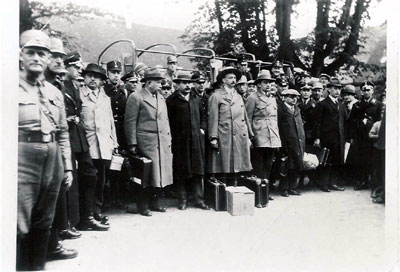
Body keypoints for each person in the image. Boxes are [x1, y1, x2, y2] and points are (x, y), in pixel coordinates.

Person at [17, 30, 73, 271]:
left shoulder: (54, 93)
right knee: (18, 222)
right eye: (31, 52)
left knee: (45, 220)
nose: (37, 58)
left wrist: (67, 166)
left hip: (52, 159)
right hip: (21, 157)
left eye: (42, 53)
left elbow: (62, 132)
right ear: (21, 56)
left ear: (48, 57)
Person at [43, 37, 79, 262]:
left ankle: (52, 243)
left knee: (54, 198)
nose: (58, 60)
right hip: (33, 149)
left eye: (61, 57)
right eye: (53, 55)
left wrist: (67, 166)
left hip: (54, 150)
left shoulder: (56, 87)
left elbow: (63, 132)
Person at [63, 53, 105, 232]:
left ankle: (86, 217)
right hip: (67, 136)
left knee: (90, 174)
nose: (80, 71)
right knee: (68, 180)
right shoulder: (60, 85)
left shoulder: (73, 86)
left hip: (79, 137)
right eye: (76, 67)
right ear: (67, 67)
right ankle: (68, 222)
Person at [124, 68, 173, 216]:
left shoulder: (160, 97)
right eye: (158, 82)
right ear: (149, 82)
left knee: (158, 174)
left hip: (161, 141)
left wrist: (168, 138)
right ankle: (142, 205)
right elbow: (130, 122)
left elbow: (165, 120)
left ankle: (155, 203)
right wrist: (132, 143)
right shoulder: (136, 97)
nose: (161, 84)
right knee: (145, 174)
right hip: (146, 141)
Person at [79, 63, 118, 227]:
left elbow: (110, 122)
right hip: (88, 145)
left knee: (101, 181)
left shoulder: (105, 98)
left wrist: (114, 143)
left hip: (104, 146)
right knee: (88, 181)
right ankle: (86, 215)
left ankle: (97, 212)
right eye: (89, 76)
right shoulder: (80, 95)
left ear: (102, 80)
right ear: (85, 77)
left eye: (97, 77)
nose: (93, 79)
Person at [166, 71, 210, 210]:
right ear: (177, 84)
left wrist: (202, 129)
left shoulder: (196, 98)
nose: (187, 86)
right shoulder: (171, 101)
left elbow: (204, 116)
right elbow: (168, 121)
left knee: (198, 171)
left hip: (196, 140)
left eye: (189, 83)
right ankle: (182, 200)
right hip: (180, 141)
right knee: (181, 170)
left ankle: (198, 200)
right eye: (184, 83)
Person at [208, 66, 253, 185]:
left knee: (238, 164)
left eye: (234, 78)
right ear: (223, 80)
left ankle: (236, 186)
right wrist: (213, 137)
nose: (233, 80)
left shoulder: (238, 96)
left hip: (239, 134)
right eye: (230, 78)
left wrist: (249, 136)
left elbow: (245, 117)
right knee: (225, 164)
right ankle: (226, 191)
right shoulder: (216, 96)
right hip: (225, 134)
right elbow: (213, 118)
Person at [246, 69, 281, 182]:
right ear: (259, 84)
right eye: (265, 82)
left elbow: (274, 119)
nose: (268, 85)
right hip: (259, 135)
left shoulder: (272, 98)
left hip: (272, 135)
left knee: (268, 163)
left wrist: (277, 136)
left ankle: (265, 188)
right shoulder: (252, 98)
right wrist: (250, 136)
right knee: (258, 164)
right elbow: (248, 119)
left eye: (270, 83)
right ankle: (258, 190)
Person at [348, 81, 384, 190]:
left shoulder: (378, 105)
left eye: (368, 89)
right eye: (364, 90)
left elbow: (381, 122)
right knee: (360, 159)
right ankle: (361, 181)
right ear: (361, 92)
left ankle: (374, 182)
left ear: (372, 91)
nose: (366, 92)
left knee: (373, 159)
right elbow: (351, 121)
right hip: (360, 137)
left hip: (373, 137)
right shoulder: (357, 105)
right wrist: (352, 136)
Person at [313, 77, 347, 192]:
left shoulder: (341, 105)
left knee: (337, 161)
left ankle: (333, 182)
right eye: (335, 88)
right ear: (328, 89)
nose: (337, 91)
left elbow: (344, 121)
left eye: (339, 89)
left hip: (339, 138)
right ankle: (323, 183)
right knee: (326, 161)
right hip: (326, 137)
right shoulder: (322, 104)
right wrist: (317, 137)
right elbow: (317, 122)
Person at [277, 89, 305, 197]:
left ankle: (293, 187)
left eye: (296, 97)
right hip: (286, 142)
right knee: (285, 165)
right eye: (291, 96)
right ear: (284, 97)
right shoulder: (281, 110)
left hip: (298, 141)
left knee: (296, 164)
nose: (294, 99)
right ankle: (284, 188)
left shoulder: (297, 109)